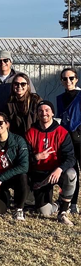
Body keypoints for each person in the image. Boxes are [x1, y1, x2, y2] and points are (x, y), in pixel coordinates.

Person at [26, 100, 77, 225]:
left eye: (47, 110)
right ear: (37, 114)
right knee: (44, 212)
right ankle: (58, 204)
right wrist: (36, 157)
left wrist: (59, 169)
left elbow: (71, 158)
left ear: (53, 113)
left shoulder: (62, 132)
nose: (44, 113)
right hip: (39, 174)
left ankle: (63, 212)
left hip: (56, 172)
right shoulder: (30, 133)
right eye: (40, 111)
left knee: (71, 174)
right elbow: (23, 158)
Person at [0, 112, 29, 220]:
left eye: (0, 123)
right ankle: (6, 198)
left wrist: (2, 177)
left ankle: (19, 209)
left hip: (13, 177)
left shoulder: (18, 141)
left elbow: (24, 166)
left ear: (7, 124)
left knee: (23, 176)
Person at [56, 67, 81, 213]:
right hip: (67, 140)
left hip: (80, 138)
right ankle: (72, 204)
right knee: (72, 172)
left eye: (71, 78)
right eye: (65, 79)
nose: (68, 81)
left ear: (76, 79)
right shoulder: (60, 98)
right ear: (61, 81)